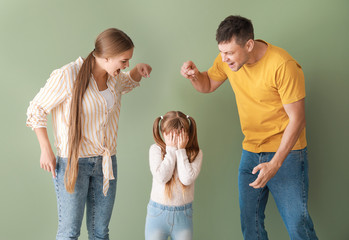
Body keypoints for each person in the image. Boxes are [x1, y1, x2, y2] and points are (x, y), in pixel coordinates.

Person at [180, 15, 318, 239]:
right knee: (250, 225)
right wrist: (194, 76)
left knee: (298, 225)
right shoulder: (228, 61)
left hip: (287, 154)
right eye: (221, 52)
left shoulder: (282, 65)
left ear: (249, 44)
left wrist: (275, 164)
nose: (224, 59)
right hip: (251, 152)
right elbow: (207, 85)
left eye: (230, 53)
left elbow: (298, 119)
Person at [26, 28, 152, 240]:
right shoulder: (68, 75)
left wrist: (138, 71)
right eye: (124, 60)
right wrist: (45, 149)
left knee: (100, 232)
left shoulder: (114, 78)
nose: (126, 65)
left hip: (106, 162)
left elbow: (126, 84)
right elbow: (36, 109)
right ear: (106, 57)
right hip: (73, 163)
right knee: (69, 233)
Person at [145, 111, 203, 240]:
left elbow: (186, 179)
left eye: (179, 135)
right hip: (157, 214)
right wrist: (171, 151)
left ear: (187, 135)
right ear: (163, 133)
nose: (175, 140)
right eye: (170, 136)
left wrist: (181, 151)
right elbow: (161, 177)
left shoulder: (195, 153)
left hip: (183, 216)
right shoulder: (155, 150)